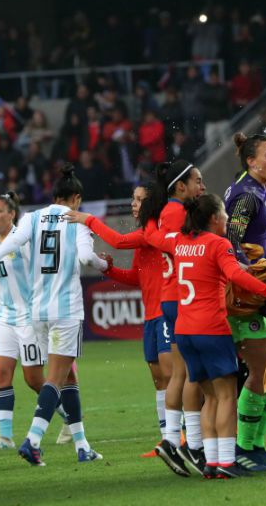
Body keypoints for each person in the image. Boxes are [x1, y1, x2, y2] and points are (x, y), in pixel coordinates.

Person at [150, 193, 266, 478]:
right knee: (226, 395)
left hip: (184, 331)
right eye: (225, 214)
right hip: (211, 329)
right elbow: (237, 277)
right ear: (214, 218)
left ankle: (212, 462)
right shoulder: (218, 244)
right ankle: (227, 461)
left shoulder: (179, 242)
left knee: (209, 397)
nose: (228, 218)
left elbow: (153, 237)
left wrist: (151, 208)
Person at [0, 164, 109, 466]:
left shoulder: (32, 217)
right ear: (76, 198)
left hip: (38, 311)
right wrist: (103, 264)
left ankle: (82, 446)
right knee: (54, 380)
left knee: (67, 378)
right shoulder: (78, 221)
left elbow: (13, 242)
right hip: (66, 310)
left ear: (53, 195)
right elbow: (84, 257)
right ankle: (33, 440)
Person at [66, 184, 173, 456]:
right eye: (133, 199)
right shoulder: (146, 238)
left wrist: (88, 220)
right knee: (159, 379)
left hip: (165, 312)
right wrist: (111, 269)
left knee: (172, 376)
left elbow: (118, 241)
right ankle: (168, 440)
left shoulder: (153, 232)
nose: (134, 204)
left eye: (140, 200)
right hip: (150, 315)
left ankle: (183, 435)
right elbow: (137, 277)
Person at [139, 160, 208, 476]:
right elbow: (186, 248)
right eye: (197, 181)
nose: (201, 187)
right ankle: (190, 444)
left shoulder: (165, 214)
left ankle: (178, 441)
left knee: (184, 373)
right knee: (193, 374)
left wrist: (149, 225)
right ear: (181, 186)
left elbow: (156, 240)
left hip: (172, 297)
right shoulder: (180, 213)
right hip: (184, 298)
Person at [223, 133, 266, 472]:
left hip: (261, 290)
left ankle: (256, 445)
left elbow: (260, 247)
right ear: (250, 161)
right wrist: (256, 286)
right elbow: (231, 244)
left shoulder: (258, 192)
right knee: (259, 370)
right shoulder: (247, 195)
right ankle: (246, 446)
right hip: (248, 297)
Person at [0, 193, 49, 452]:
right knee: (1, 374)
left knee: (33, 380)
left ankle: (69, 417)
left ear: (11, 214)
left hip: (29, 317)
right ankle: (5, 438)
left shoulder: (26, 241)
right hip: (5, 316)